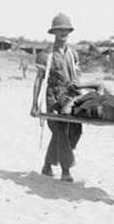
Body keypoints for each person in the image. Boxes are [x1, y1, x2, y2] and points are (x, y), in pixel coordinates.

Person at [31, 13, 83, 182]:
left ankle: (47, 165)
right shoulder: (46, 55)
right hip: (53, 99)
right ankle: (66, 170)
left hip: (71, 98)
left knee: (76, 131)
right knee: (60, 131)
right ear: (54, 32)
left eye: (66, 30)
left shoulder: (73, 54)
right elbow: (39, 81)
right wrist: (34, 104)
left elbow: (77, 78)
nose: (64, 33)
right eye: (60, 30)